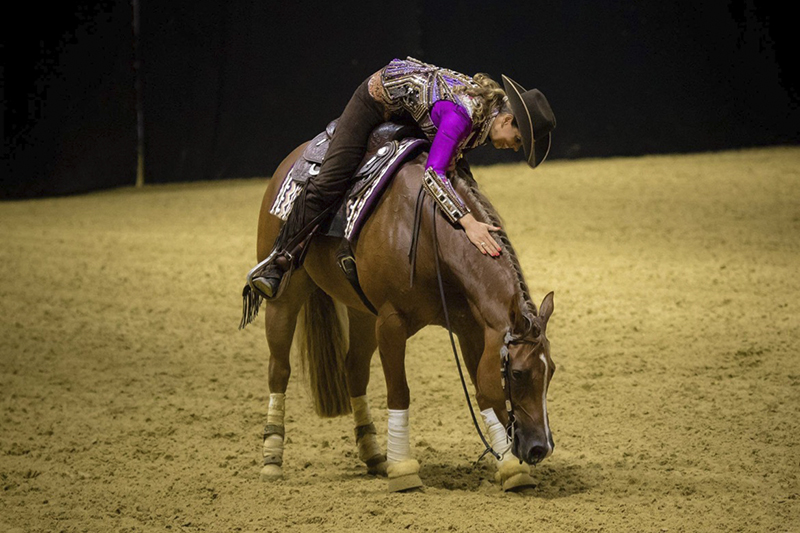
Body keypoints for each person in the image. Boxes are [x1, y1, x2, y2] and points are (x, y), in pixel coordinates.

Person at [250, 56, 556, 299]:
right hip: (375, 101)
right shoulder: (461, 116)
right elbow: (433, 175)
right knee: (331, 179)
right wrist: (467, 222)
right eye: (518, 140)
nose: (513, 147)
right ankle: (278, 261)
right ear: (506, 119)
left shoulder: (483, 121)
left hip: (413, 114)